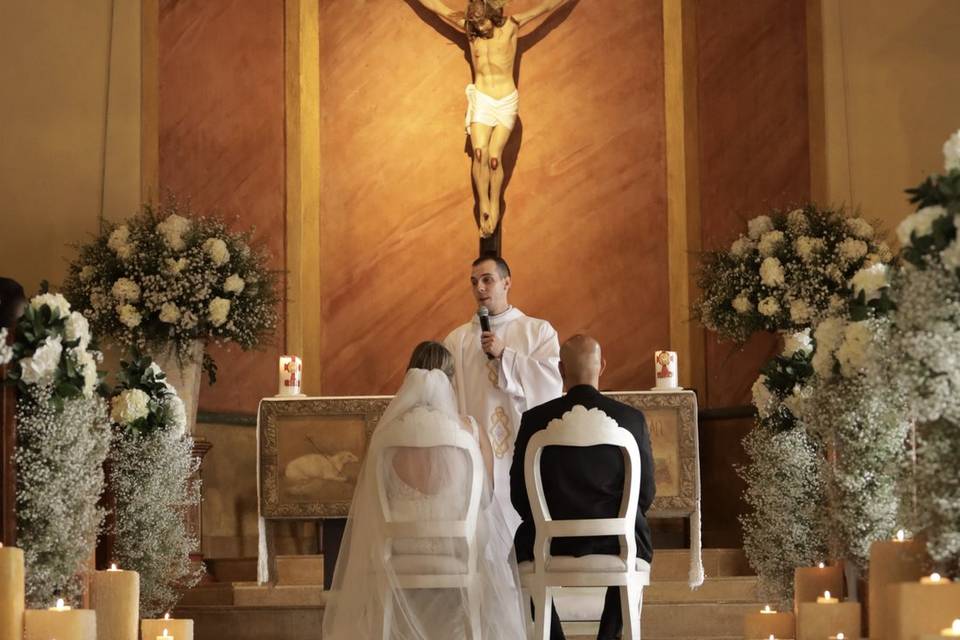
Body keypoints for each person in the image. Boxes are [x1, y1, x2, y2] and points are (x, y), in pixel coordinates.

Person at [322, 341, 526, 639]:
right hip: (456, 549)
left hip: (398, 550)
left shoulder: (386, 434)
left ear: (408, 378)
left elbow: (372, 499)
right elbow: (488, 497)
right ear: (452, 380)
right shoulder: (469, 430)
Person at [510, 334, 656, 640]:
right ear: (602, 366)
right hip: (616, 543)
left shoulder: (534, 421)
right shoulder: (631, 420)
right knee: (637, 529)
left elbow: (519, 496)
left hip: (548, 545)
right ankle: (608, 634)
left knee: (522, 542)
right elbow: (645, 495)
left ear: (562, 370)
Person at [413, 0, 570, 237]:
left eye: (482, 22)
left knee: (494, 157)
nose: (480, 27)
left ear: (492, 14)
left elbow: (545, 8)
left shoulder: (512, 25)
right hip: (483, 99)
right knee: (479, 153)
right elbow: (438, 8)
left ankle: (495, 202)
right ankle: (483, 205)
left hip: (506, 100)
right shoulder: (471, 30)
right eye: (475, 22)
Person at [443, 254, 562, 534]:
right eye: (474, 283)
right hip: (475, 457)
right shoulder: (456, 341)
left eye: (488, 280)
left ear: (507, 282)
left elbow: (551, 386)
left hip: (522, 451)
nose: (480, 288)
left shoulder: (538, 331)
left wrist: (505, 356)